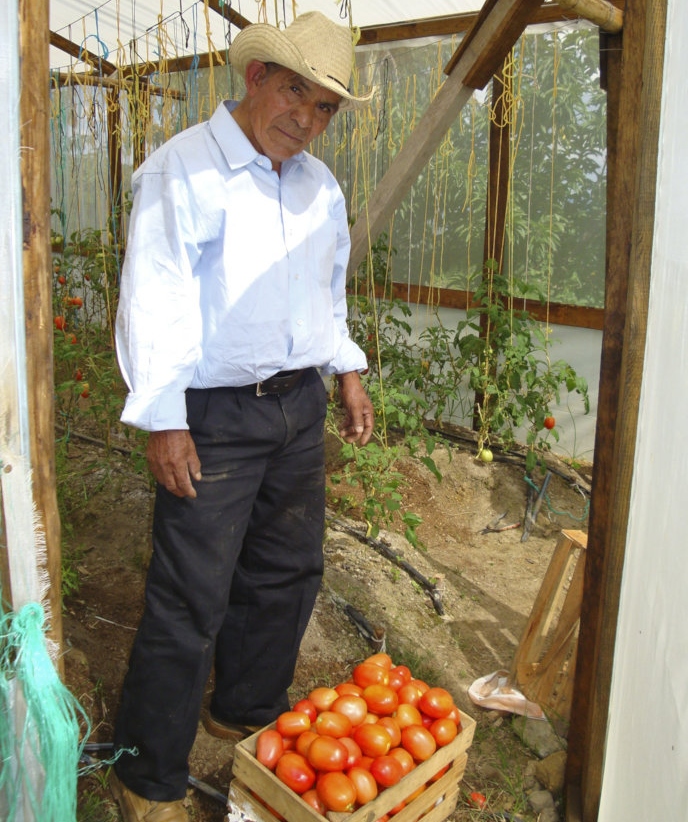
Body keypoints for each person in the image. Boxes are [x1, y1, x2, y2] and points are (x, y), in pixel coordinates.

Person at [108, 12, 374, 822]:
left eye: (326, 106)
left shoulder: (319, 188)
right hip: (213, 415)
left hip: (297, 405)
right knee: (190, 596)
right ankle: (146, 777)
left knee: (287, 572)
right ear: (256, 78)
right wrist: (164, 417)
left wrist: (348, 367)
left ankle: (243, 711)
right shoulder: (184, 172)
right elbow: (153, 299)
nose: (308, 117)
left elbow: (323, 297)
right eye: (297, 91)